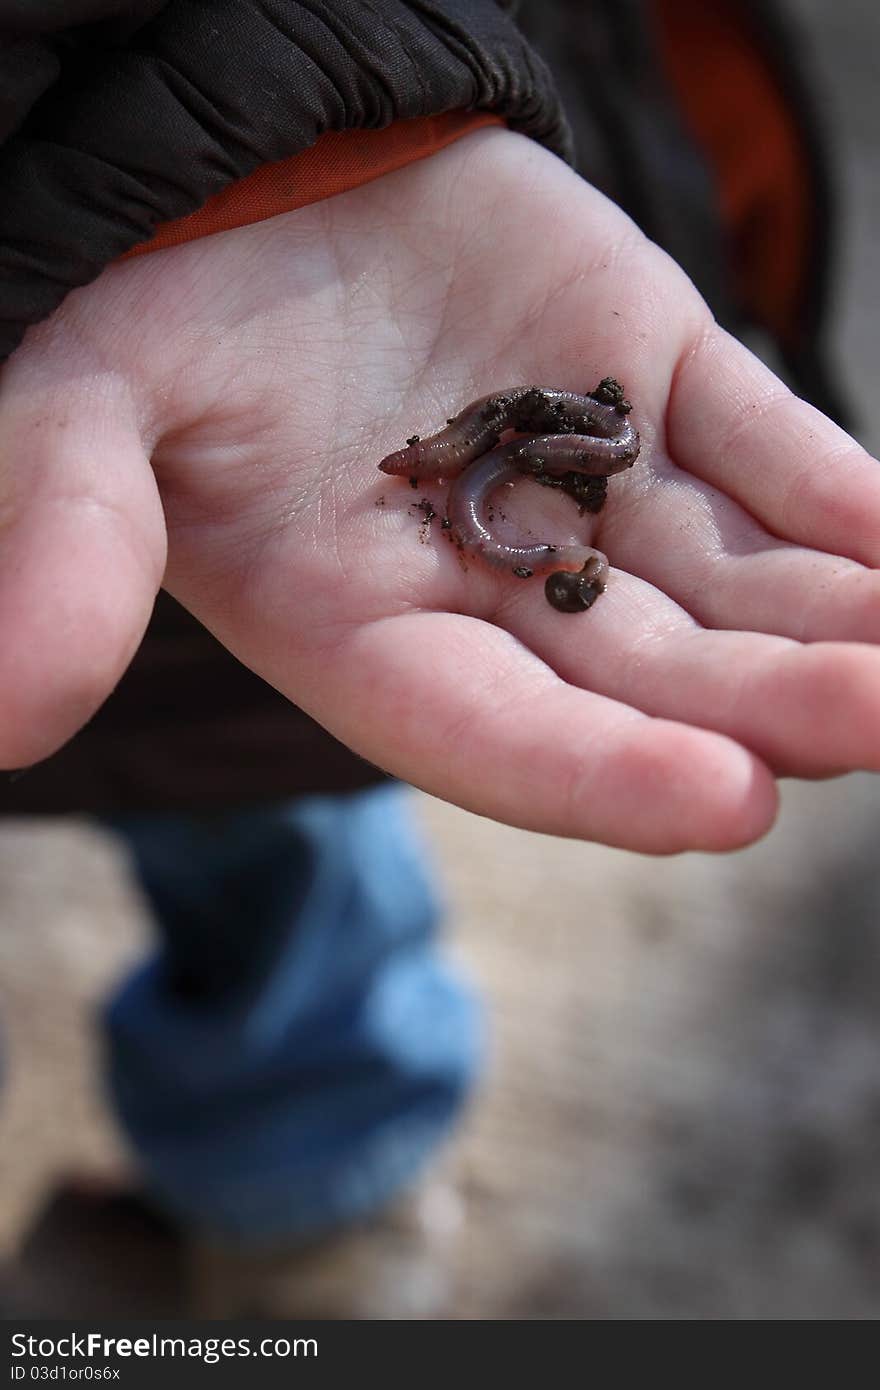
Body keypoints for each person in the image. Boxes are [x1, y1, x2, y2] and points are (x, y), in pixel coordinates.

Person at [1, 0, 879, 1311]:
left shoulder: (520, 443)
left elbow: (546, 449)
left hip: (420, 90)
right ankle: (313, 1192)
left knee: (279, 855)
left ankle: (316, 1189)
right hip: (211, 434)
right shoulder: (479, 460)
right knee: (266, 841)